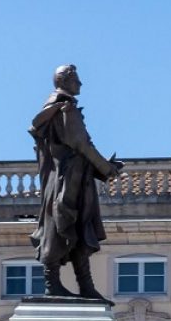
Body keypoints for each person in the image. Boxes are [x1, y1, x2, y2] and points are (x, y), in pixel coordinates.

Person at [29, 64, 124, 302]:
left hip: (72, 177)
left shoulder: (56, 109)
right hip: (68, 179)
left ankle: (85, 287)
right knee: (63, 225)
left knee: (79, 228)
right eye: (77, 80)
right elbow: (81, 143)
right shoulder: (65, 109)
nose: (80, 84)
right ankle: (54, 284)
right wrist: (106, 168)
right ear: (66, 80)